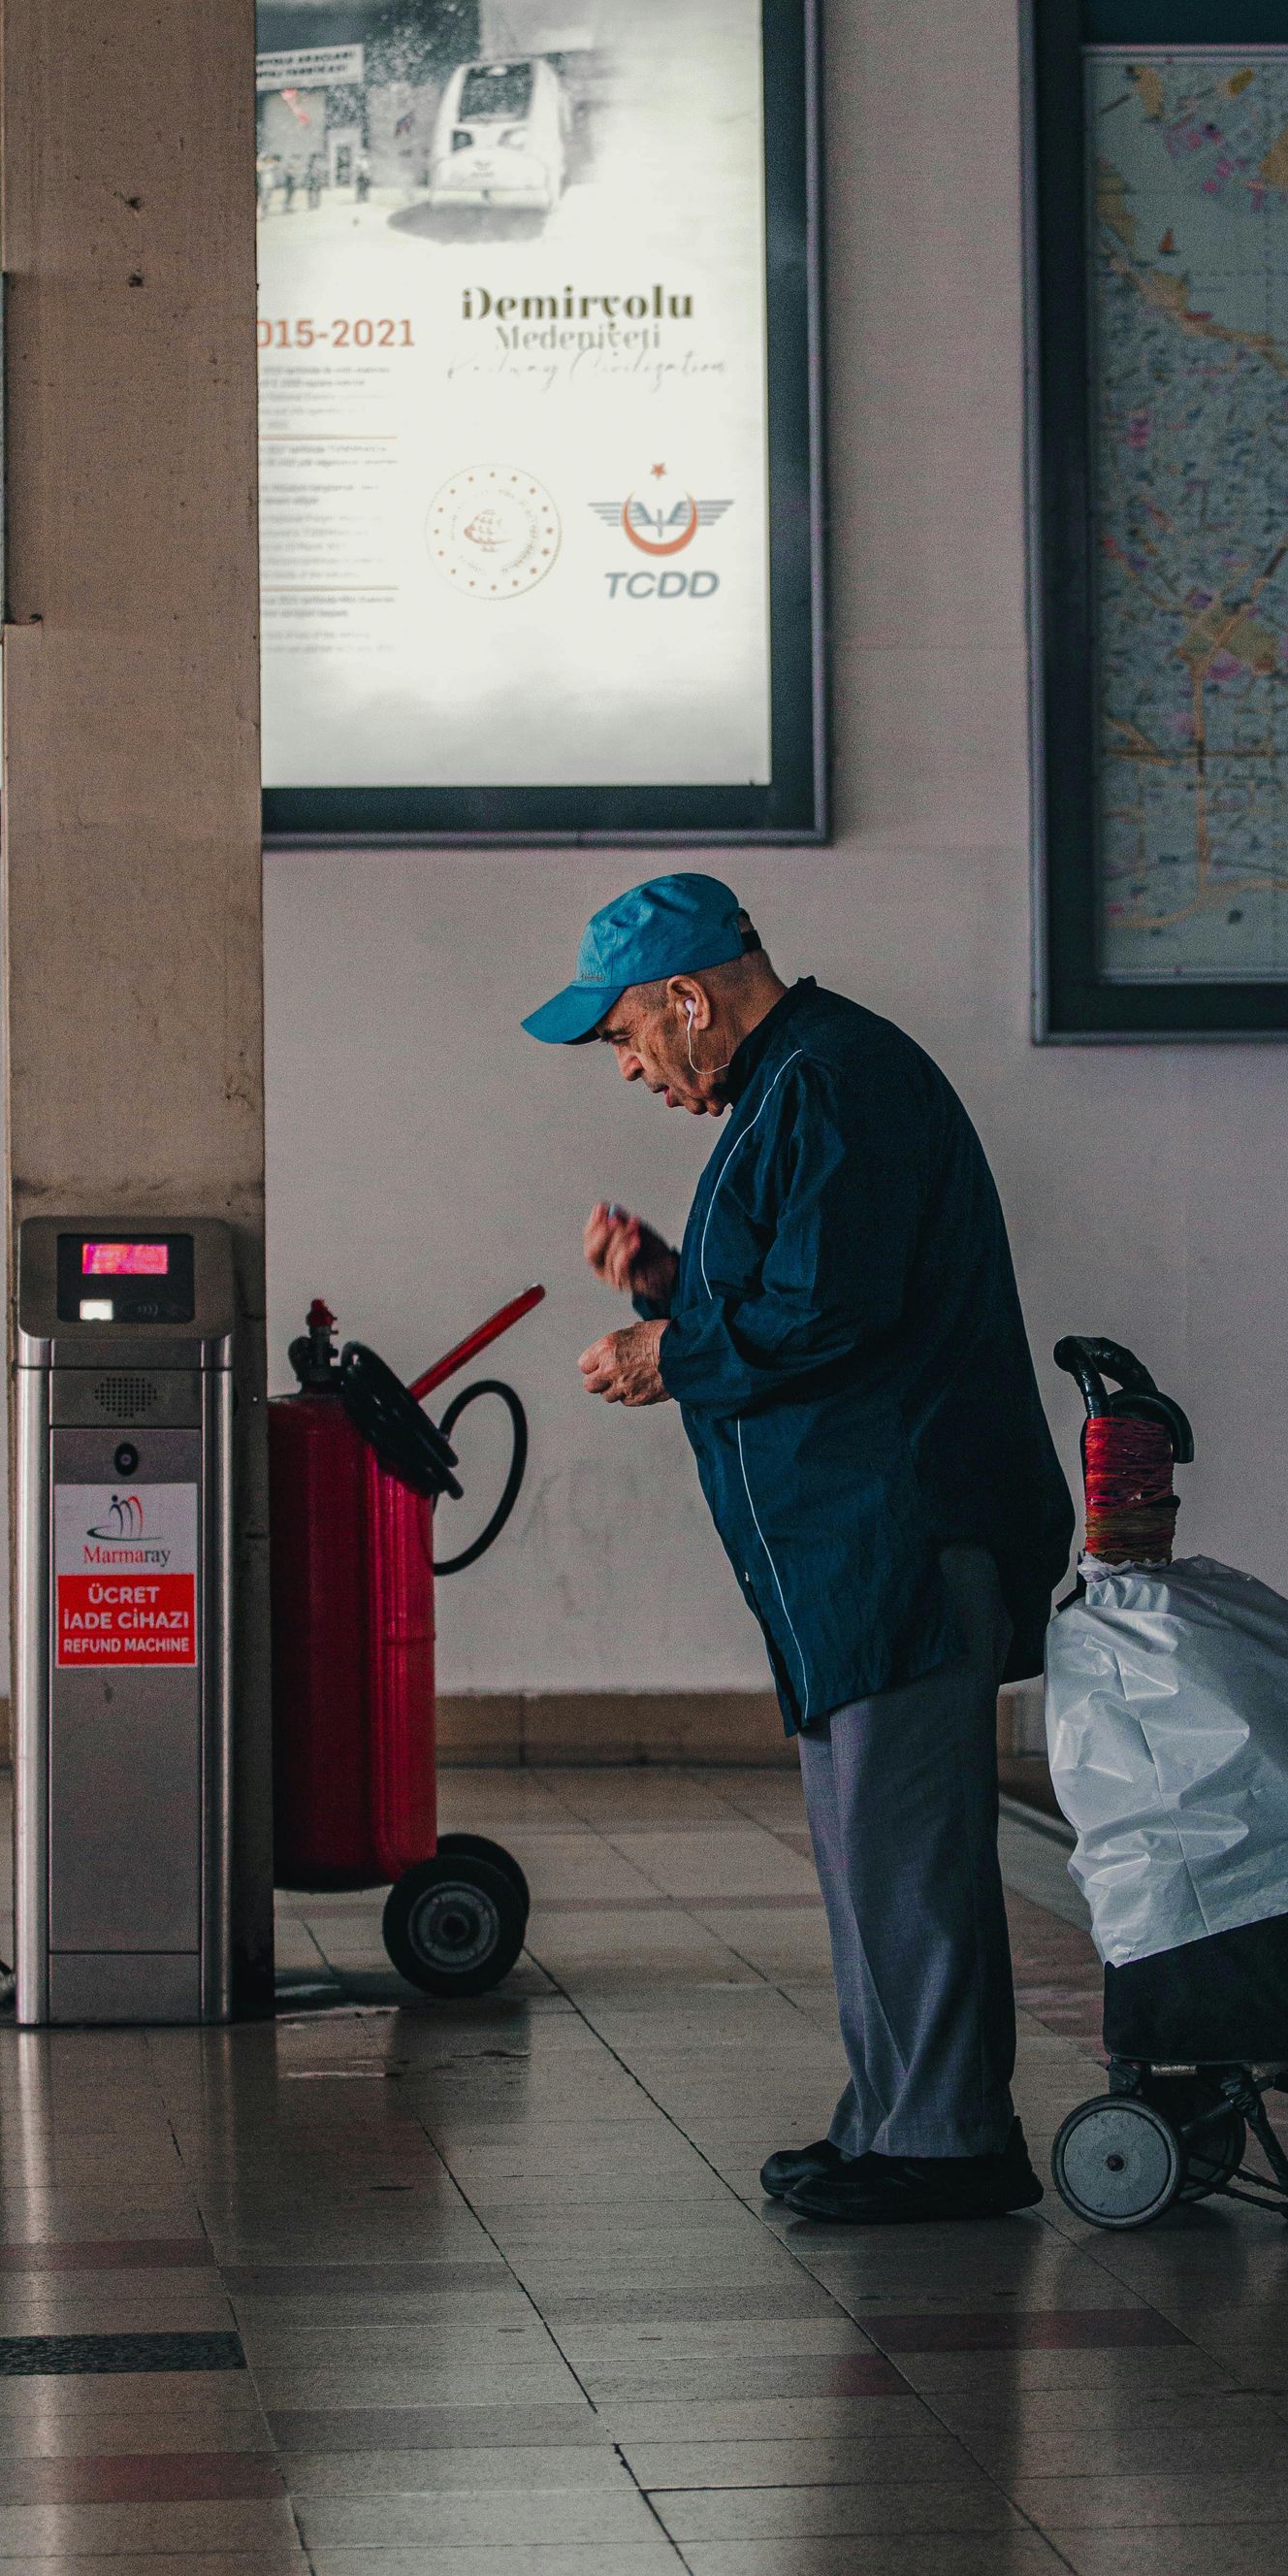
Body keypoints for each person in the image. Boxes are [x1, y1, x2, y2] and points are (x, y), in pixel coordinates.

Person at [522, 873, 1074, 2224]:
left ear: (692, 998)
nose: (635, 1068)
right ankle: (896, 2120)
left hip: (901, 1535)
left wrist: (673, 1352)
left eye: (630, 1038)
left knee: (905, 1845)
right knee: (868, 1846)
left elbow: (834, 1310)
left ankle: (945, 2143)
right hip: (848, 1551)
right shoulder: (798, 1089)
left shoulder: (833, 1082)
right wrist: (669, 1287)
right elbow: (802, 1288)